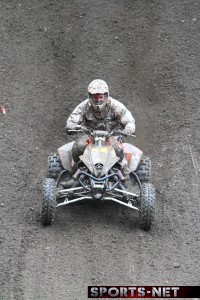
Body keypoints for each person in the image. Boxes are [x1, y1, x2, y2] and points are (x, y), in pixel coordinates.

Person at [64, 79, 135, 187]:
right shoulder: (84, 106)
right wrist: (73, 126)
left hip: (110, 136)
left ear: (106, 96)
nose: (98, 100)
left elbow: (129, 120)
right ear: (90, 96)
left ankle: (125, 178)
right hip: (90, 137)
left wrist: (128, 129)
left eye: (101, 97)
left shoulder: (115, 106)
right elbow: (70, 122)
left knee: (118, 150)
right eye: (95, 97)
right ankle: (75, 177)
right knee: (77, 147)